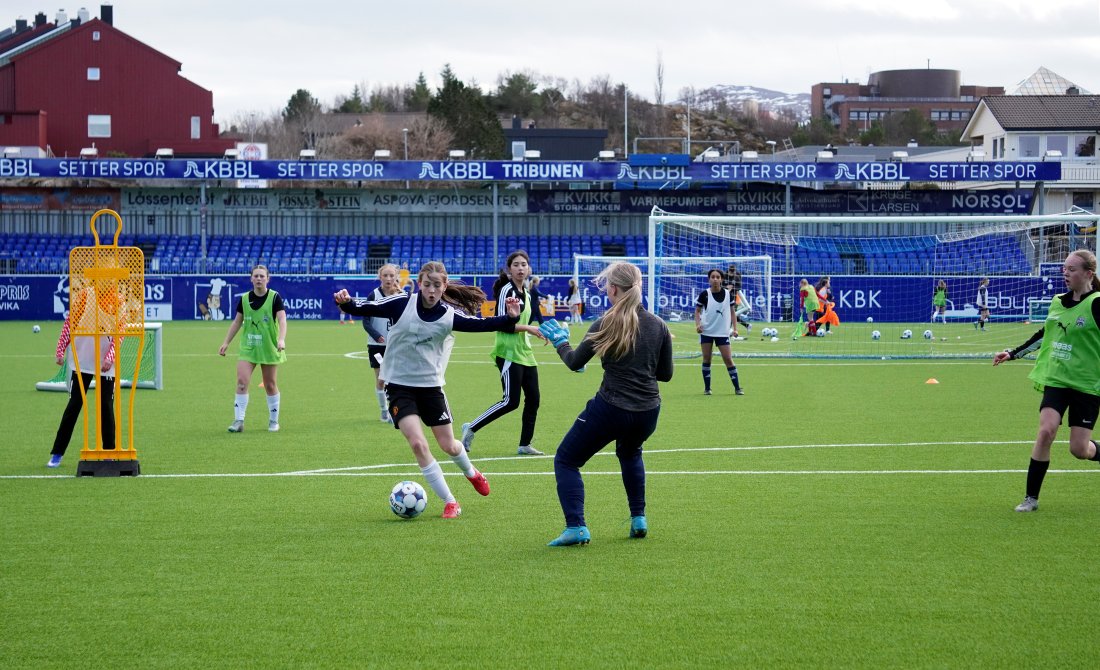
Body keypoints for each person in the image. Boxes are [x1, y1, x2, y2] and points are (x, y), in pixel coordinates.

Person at [334, 261, 521, 519]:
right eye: (427, 284)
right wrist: (345, 302)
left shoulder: (448, 315)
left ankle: (472, 473)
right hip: (399, 386)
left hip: (431, 387)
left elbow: (481, 324)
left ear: (444, 286)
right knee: (418, 444)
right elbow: (366, 307)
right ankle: (450, 501)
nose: (431, 290)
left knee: (450, 446)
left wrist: (511, 318)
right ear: (419, 284)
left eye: (437, 285)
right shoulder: (401, 303)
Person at [537, 261, 674, 546]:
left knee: (566, 459)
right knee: (630, 452)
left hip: (612, 407)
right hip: (649, 410)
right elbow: (665, 375)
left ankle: (576, 526)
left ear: (612, 289)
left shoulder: (605, 323)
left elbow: (575, 362)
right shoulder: (659, 325)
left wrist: (561, 343)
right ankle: (639, 518)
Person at [993, 250, 1100, 512]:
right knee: (1045, 431)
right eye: (1064, 268)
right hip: (1057, 380)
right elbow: (1044, 334)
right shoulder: (1057, 302)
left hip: (1087, 384)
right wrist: (1013, 353)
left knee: (1079, 449)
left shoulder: (1097, 303)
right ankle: (1031, 497)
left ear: (1088, 274)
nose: (1066, 273)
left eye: (1072, 269)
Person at [462, 251, 549, 456]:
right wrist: (529, 329)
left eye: (524, 264)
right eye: (516, 264)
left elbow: (526, 323)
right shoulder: (506, 291)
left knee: (534, 399)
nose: (520, 268)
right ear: (509, 269)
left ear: (529, 269)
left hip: (525, 352)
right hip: (508, 351)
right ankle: (471, 427)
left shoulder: (527, 293)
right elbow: (502, 325)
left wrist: (542, 332)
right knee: (510, 401)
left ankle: (525, 444)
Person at [47, 299, 117, 467]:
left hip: (105, 363)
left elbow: (119, 330)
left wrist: (110, 356)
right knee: (74, 405)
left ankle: (109, 452)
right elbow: (70, 323)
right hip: (83, 361)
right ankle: (57, 453)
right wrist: (60, 349)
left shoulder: (116, 299)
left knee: (106, 405)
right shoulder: (85, 296)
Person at [218, 264, 287, 433]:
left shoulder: (275, 297)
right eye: (255, 276)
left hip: (269, 347)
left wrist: (281, 339)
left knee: (270, 385)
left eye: (262, 276)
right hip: (248, 347)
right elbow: (237, 321)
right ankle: (238, 421)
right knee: (242, 382)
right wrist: (226, 342)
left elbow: (282, 320)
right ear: (251, 278)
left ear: (267, 279)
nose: (258, 279)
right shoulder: (244, 299)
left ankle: (273, 421)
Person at [694, 268, 744, 396]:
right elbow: (697, 311)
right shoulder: (704, 294)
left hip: (722, 332)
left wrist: (735, 329)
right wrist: (698, 325)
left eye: (717, 277)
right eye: (713, 277)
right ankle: (707, 388)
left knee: (728, 359)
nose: (715, 279)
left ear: (721, 279)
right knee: (707, 359)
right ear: (709, 279)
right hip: (707, 332)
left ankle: (738, 388)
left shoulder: (728, 294)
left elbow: (733, 312)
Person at [363, 263, 403, 423]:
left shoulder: (400, 295)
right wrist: (377, 335)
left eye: (391, 275)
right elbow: (366, 322)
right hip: (376, 345)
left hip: (396, 345)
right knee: (381, 379)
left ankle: (395, 410)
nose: (388, 278)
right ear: (380, 277)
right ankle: (384, 411)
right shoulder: (373, 295)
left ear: (396, 277)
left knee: (395, 380)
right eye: (385, 275)